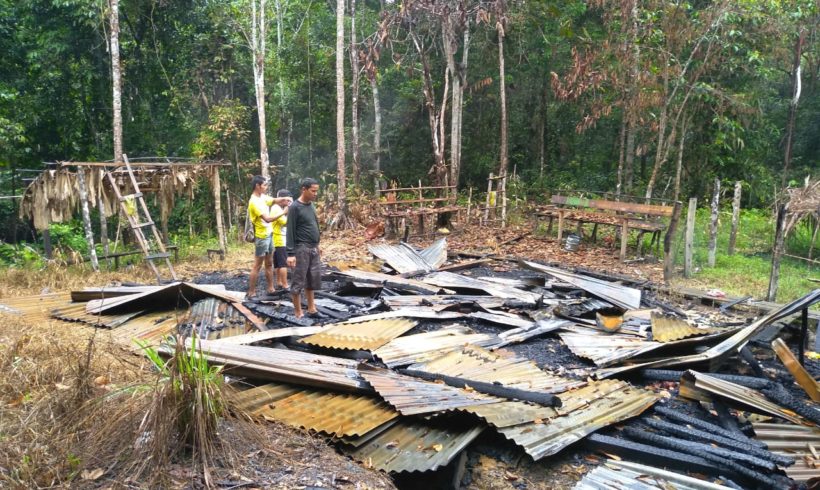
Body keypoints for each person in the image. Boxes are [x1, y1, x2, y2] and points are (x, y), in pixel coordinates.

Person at [247, 176, 291, 300]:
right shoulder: (254, 202)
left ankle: (271, 288)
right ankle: (252, 291)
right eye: (264, 185)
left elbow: (273, 200)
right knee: (257, 265)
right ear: (257, 186)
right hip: (262, 237)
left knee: (269, 263)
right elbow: (267, 219)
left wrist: (285, 198)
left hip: (270, 234)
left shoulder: (262, 198)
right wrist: (283, 212)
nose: (266, 187)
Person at [286, 177, 321, 318]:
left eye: (316, 191)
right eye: (313, 191)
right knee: (298, 280)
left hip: (313, 248)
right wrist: (290, 253)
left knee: (312, 279)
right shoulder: (294, 207)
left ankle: (312, 309)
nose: (315, 194)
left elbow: (314, 225)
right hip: (301, 248)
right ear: (304, 189)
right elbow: (290, 231)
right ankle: (298, 312)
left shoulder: (311, 205)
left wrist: (318, 244)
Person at [271, 188, 292, 291]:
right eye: (287, 200)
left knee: (278, 262)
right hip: (280, 238)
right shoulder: (276, 208)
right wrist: (287, 213)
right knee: (283, 263)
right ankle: (285, 284)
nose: (288, 202)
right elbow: (284, 222)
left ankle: (279, 282)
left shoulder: (278, 208)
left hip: (278, 237)